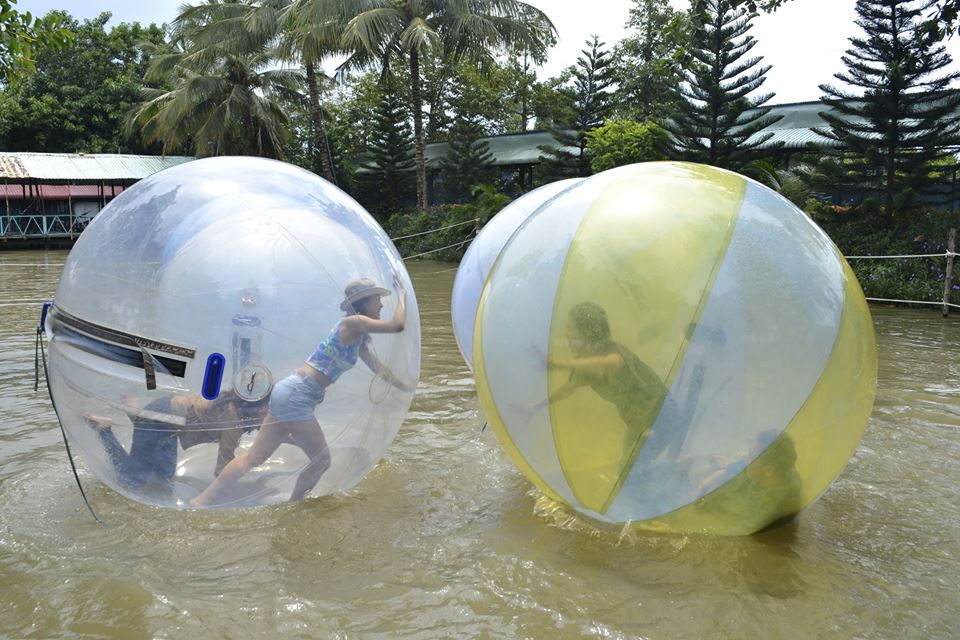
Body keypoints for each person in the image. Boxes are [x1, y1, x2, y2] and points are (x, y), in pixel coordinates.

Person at [190, 274, 414, 506]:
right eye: (377, 299)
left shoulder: (358, 337)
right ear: (364, 302)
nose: (380, 304)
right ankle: (294, 508)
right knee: (322, 461)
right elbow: (398, 325)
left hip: (290, 393)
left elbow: (380, 369)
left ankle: (202, 500)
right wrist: (403, 295)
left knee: (253, 458)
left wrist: (405, 386)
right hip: (297, 395)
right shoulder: (353, 323)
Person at [82, 391, 270, 491]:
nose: (270, 419)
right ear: (259, 409)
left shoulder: (233, 404)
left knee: (162, 476)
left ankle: (135, 413)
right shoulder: (233, 421)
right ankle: (104, 430)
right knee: (131, 480)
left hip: (167, 419)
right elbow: (223, 468)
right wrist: (234, 491)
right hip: (163, 420)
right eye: (269, 413)